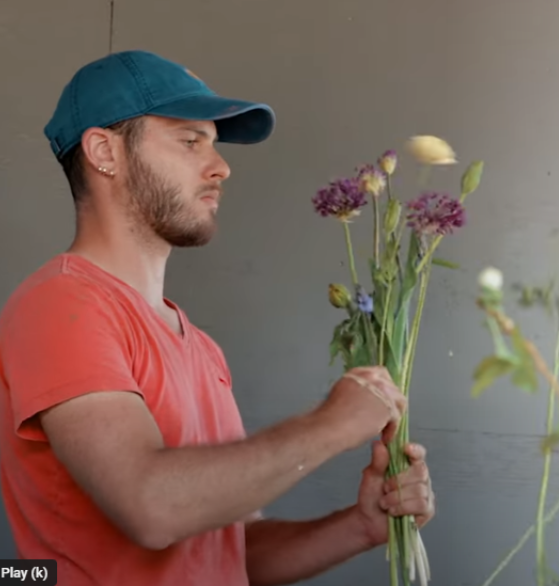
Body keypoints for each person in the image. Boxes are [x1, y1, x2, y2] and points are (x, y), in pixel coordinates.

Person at [0, 50, 434, 585]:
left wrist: (361, 526)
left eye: (213, 143)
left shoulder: (200, 348)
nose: (220, 166)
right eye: (189, 140)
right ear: (104, 151)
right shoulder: (61, 304)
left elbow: (231, 552)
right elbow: (151, 506)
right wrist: (331, 426)